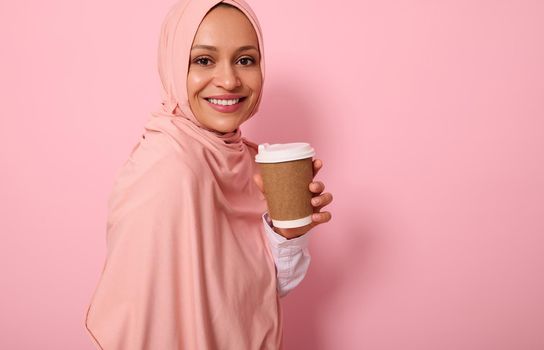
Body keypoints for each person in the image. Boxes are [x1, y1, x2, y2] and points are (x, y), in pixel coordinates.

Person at [84, 0, 333, 349]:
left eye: (245, 60)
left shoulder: (248, 161)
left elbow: (259, 296)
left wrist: (287, 232)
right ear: (173, 66)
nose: (229, 80)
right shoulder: (167, 169)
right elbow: (148, 323)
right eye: (203, 60)